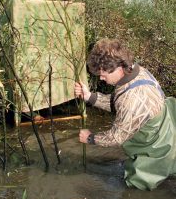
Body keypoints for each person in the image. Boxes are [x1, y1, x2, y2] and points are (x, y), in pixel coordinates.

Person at [75, 38, 176, 190]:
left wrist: (90, 138)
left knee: (137, 187)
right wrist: (89, 97)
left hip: (156, 146)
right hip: (165, 125)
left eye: (103, 75)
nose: (101, 79)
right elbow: (119, 102)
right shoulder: (135, 71)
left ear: (118, 69)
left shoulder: (134, 99)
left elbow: (116, 137)